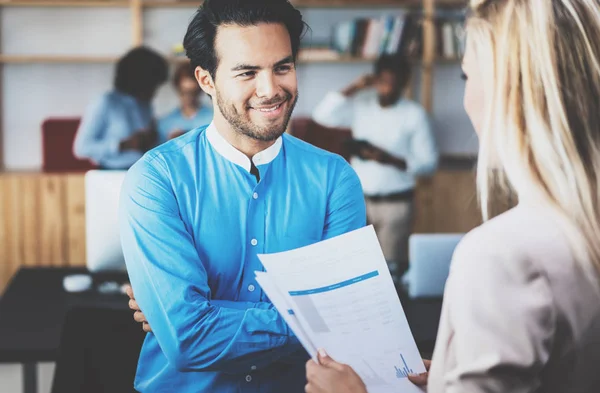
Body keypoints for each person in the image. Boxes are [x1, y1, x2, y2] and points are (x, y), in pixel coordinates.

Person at [304, 0, 600, 392]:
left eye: (465, 77)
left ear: (510, 89)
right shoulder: (578, 228)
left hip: (397, 201)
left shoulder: (501, 255)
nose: (466, 98)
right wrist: (447, 376)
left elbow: (422, 164)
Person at [119, 1, 366, 392]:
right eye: (247, 72)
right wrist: (308, 317)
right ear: (206, 80)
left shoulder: (335, 180)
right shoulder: (156, 178)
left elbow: (345, 322)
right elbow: (189, 338)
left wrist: (200, 316)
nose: (271, 90)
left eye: (282, 67)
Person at [312, 54, 438, 281]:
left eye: (394, 81)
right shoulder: (362, 106)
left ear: (404, 82)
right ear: (376, 79)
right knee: (353, 268)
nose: (388, 87)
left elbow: (429, 163)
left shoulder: (414, 115)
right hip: (359, 202)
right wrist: (355, 86)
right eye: (383, 80)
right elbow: (322, 115)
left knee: (389, 273)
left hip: (396, 206)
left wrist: (388, 159)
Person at [73, 46, 168, 169]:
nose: (154, 93)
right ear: (140, 80)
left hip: (142, 170)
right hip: (111, 173)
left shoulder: (145, 105)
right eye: (152, 85)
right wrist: (122, 145)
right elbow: (81, 148)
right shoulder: (106, 102)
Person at [157, 61, 213, 144]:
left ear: (201, 90)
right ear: (177, 88)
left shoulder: (213, 119)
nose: (188, 98)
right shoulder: (165, 123)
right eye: (184, 92)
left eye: (193, 92)